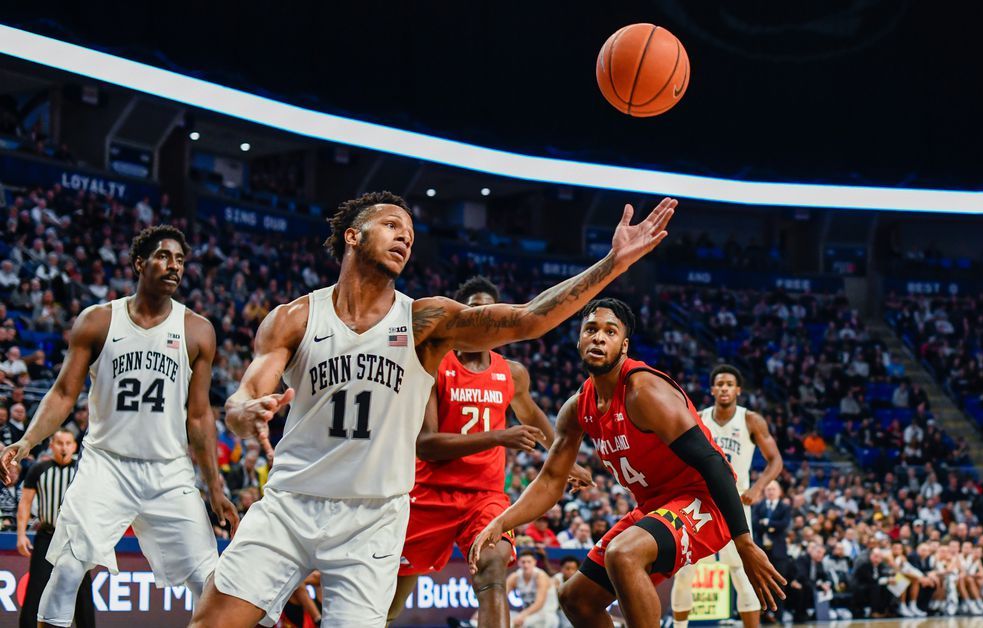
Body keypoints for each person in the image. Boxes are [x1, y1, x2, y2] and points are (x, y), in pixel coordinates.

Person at [189, 192, 677, 627]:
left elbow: (528, 319)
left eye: (411, 232)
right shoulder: (295, 317)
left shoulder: (425, 321)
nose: (405, 236)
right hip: (290, 502)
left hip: (372, 519)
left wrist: (613, 263)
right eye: (392, 225)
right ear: (354, 236)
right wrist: (245, 412)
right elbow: (245, 394)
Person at [469, 298, 785, 627]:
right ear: (578, 340)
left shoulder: (644, 391)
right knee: (576, 598)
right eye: (591, 329)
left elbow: (713, 462)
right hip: (656, 506)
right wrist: (501, 523)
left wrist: (745, 542)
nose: (599, 337)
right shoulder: (577, 408)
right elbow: (550, 481)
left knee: (623, 553)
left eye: (610, 331)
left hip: (705, 500)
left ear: (624, 345)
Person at [0, 225, 237, 628]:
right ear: (139, 262)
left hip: (168, 470)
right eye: (164, 256)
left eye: (180, 260)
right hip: (106, 465)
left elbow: (199, 417)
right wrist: (25, 443)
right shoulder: (97, 320)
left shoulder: (198, 330)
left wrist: (215, 489)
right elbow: (62, 394)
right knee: (67, 573)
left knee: (209, 581)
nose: (173, 266)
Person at [387, 275, 592, 625]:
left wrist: (564, 456)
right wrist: (498, 437)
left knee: (493, 568)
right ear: (461, 317)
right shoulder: (435, 363)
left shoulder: (512, 373)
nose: (481, 318)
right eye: (472, 310)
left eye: (488, 311)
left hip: (485, 497)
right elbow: (427, 445)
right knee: (388, 604)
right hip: (430, 492)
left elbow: (532, 416)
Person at [671, 364, 783, 628]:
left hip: (738, 502)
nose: (724, 388)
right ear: (712, 389)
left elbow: (775, 460)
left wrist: (758, 488)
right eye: (719, 384)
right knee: (685, 571)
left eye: (729, 384)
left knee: (744, 571)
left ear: (738, 390)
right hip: (702, 503)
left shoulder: (751, 420)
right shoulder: (698, 418)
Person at [15, 430, 94, 628]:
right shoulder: (38, 469)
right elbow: (25, 503)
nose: (64, 447)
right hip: (47, 535)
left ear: (75, 447)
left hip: (76, 537)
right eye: (59, 443)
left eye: (68, 443)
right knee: (36, 588)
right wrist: (21, 534)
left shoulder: (84, 470)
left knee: (83, 592)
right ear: (52, 445)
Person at [507, 551, 559, 627]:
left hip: (546, 614)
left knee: (519, 624)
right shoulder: (515, 576)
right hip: (529, 614)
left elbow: (539, 603)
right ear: (518, 563)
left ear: (534, 562)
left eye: (529, 562)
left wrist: (522, 615)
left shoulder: (540, 576)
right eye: (523, 562)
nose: (526, 565)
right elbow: (501, 596)